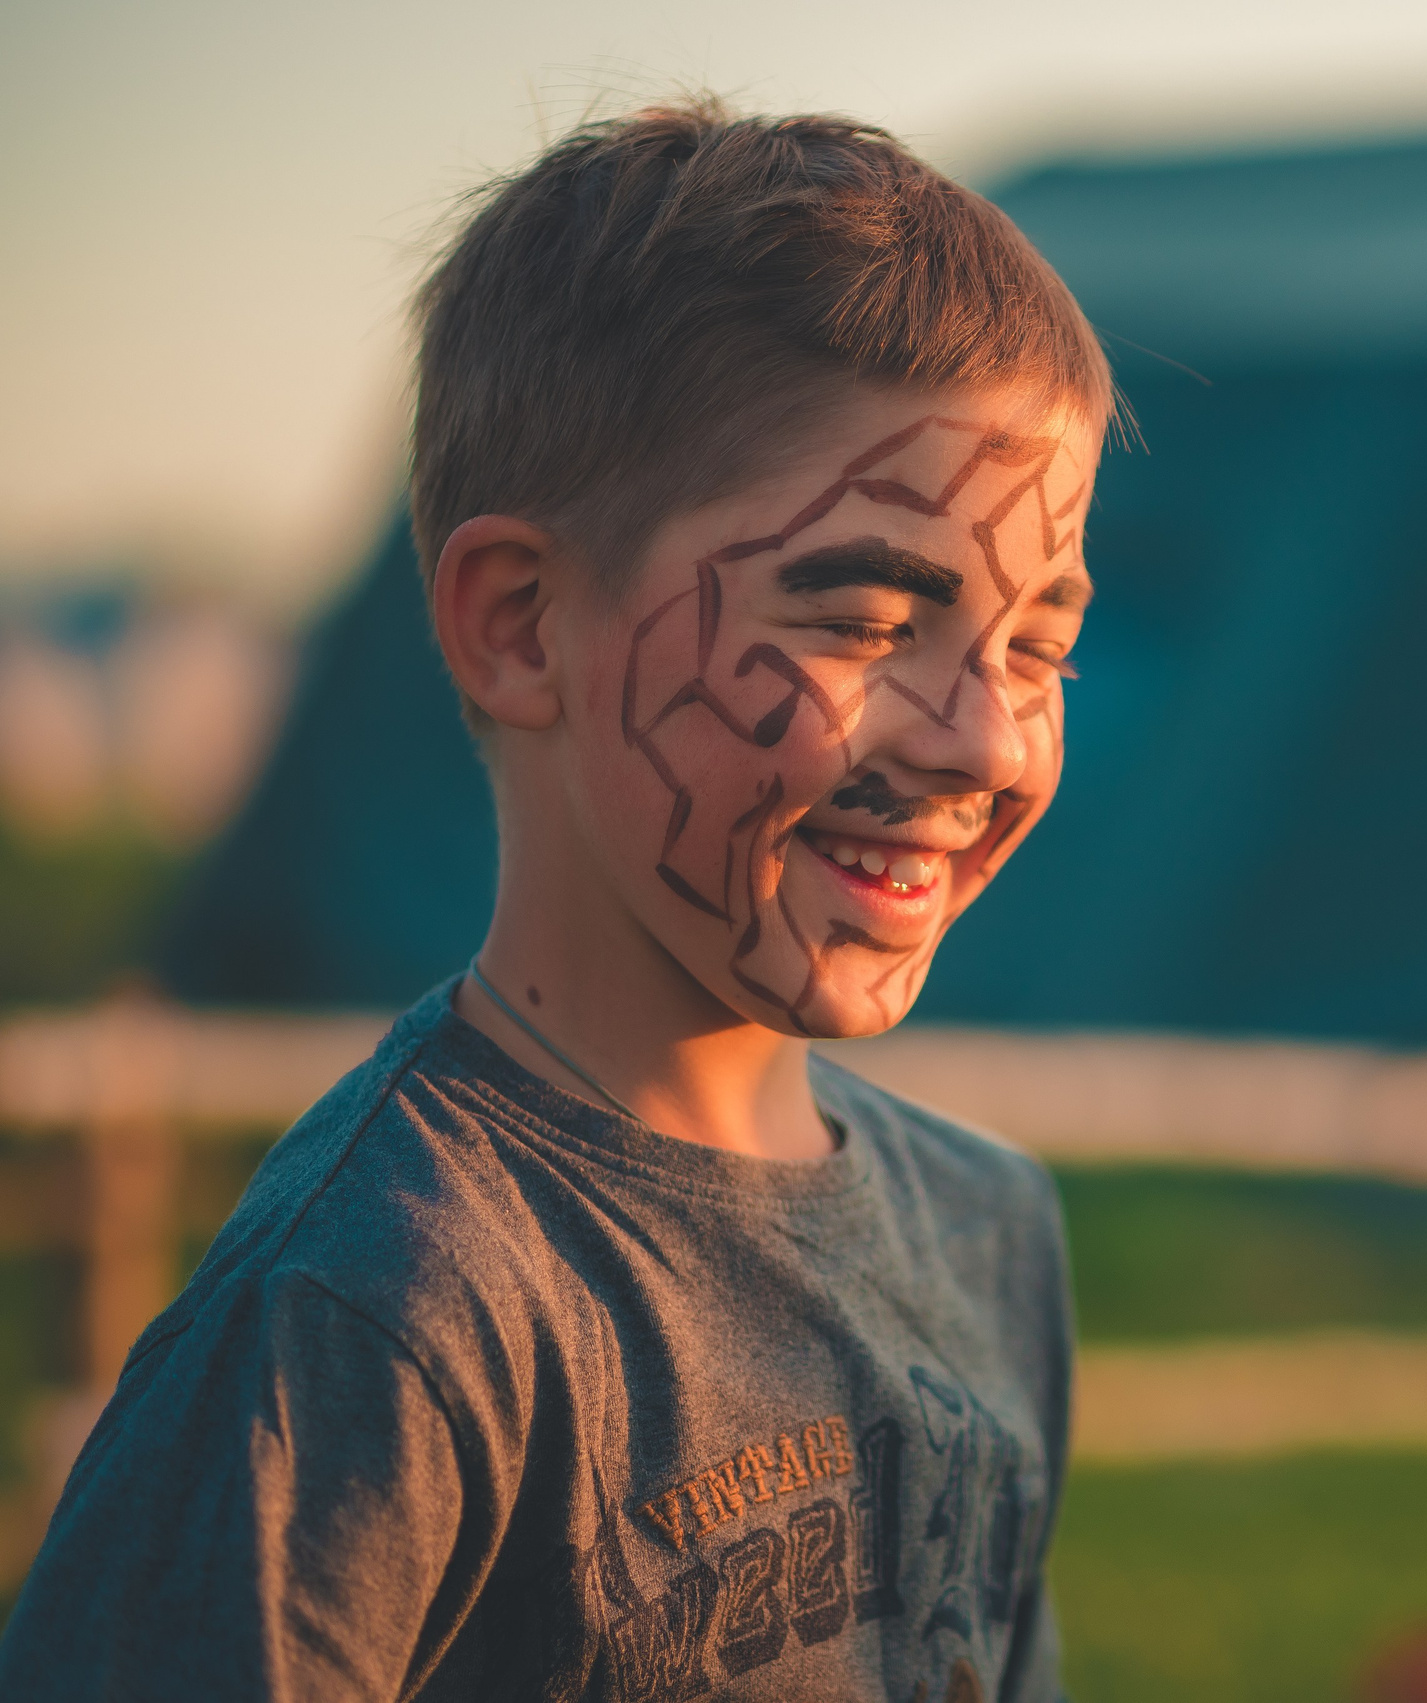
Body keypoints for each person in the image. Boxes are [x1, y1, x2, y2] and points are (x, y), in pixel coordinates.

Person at [0, 98, 1106, 1702]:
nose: (985, 736)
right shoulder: (372, 1321)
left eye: (1036, 645)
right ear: (522, 625)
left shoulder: (994, 1238)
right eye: (868, 619)